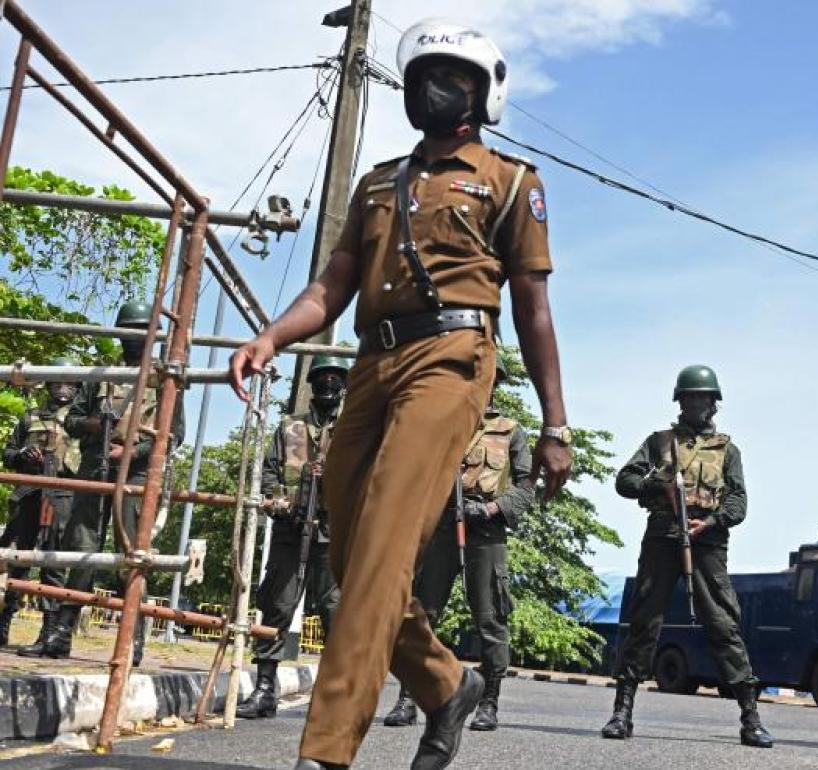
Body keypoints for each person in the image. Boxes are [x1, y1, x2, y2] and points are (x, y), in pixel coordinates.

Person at [228, 19, 572, 770]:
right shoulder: (379, 181)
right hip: (371, 365)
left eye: (449, 76)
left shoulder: (512, 182)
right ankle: (446, 685)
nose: (430, 87)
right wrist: (271, 337)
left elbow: (533, 310)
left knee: (385, 544)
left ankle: (325, 754)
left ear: (483, 94)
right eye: (420, 75)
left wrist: (556, 425)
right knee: (353, 562)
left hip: (452, 360)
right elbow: (332, 284)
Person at [601, 365, 774, 750]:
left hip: (708, 542)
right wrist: (654, 484)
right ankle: (622, 711)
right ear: (680, 401)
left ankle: (750, 717)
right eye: (691, 396)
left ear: (715, 403)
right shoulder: (659, 441)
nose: (698, 403)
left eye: (704, 397)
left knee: (723, 625)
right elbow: (624, 481)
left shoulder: (728, 450)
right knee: (645, 620)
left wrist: (711, 522)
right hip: (663, 537)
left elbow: (738, 501)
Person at [383, 358, 534, 732]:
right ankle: (408, 698)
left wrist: (494, 508)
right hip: (442, 529)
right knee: (423, 612)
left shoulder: (510, 431)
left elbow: (528, 486)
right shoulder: (442, 423)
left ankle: (489, 702)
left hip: (487, 533)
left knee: (490, 618)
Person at [40, 302, 184, 663]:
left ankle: (132, 640)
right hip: (94, 466)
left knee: (131, 555)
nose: (134, 337)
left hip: (136, 474)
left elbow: (173, 435)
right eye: (129, 329)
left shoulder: (163, 378)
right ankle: (61, 634)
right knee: (82, 550)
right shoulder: (101, 375)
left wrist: (133, 451)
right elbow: (71, 420)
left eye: (141, 329)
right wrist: (97, 426)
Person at [237, 355, 349, 720]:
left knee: (336, 612)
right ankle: (265, 688)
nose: (328, 385)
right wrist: (278, 503)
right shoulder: (290, 427)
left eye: (335, 379)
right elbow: (268, 472)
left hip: (335, 534)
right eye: (322, 379)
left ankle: (334, 696)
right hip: (290, 529)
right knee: (277, 606)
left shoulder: (354, 427)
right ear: (312, 385)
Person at [0, 358, 80, 651]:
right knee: (15, 559)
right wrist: (22, 454)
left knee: (53, 562)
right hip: (28, 490)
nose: (62, 388)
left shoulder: (81, 420)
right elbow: (7, 453)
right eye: (57, 382)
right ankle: (3, 621)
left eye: (69, 384)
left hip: (62, 493)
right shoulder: (31, 416)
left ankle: (50, 632)